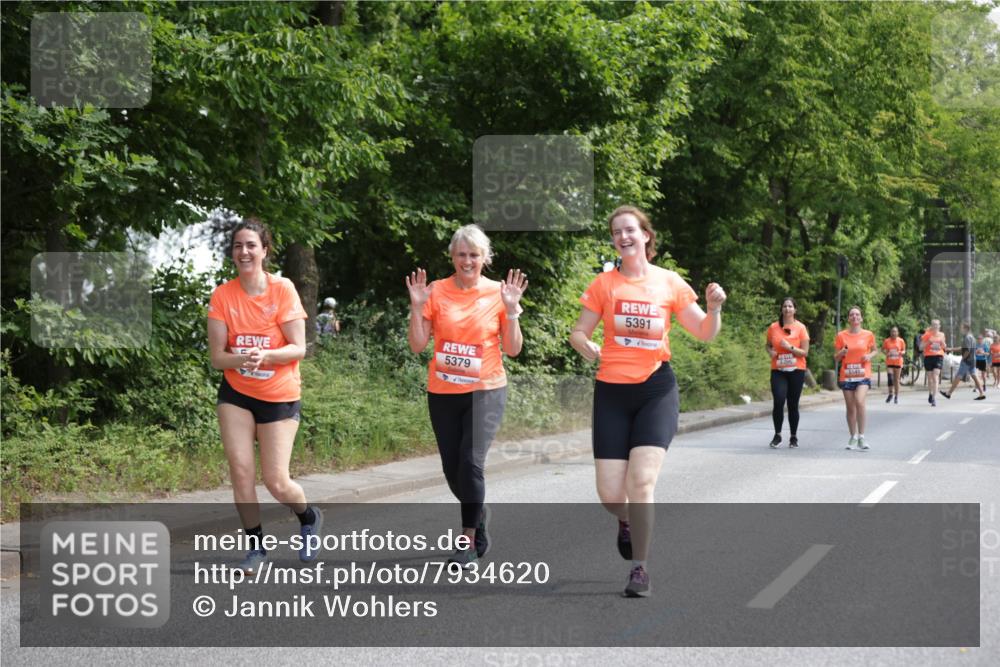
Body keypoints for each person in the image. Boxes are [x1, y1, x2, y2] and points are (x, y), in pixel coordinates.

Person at [569, 205, 726, 598]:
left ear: (645, 236)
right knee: (610, 495)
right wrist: (584, 344)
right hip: (611, 391)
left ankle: (640, 568)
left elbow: (705, 332)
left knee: (641, 482)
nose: (624, 236)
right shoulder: (604, 284)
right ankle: (625, 520)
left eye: (630, 230)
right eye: (617, 232)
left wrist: (714, 309)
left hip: (656, 389)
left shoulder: (669, 282)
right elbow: (578, 331)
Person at [405, 224, 527, 569]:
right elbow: (417, 345)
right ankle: (479, 512)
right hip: (443, 391)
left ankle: (468, 540)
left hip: (486, 390)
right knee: (452, 469)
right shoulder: (436, 291)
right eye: (461, 254)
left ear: (485, 258)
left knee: (471, 461)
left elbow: (514, 350)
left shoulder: (499, 293)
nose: (468, 260)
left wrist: (513, 311)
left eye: (474, 254)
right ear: (452, 257)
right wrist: (417, 307)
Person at [207, 218, 322, 574]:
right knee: (241, 472)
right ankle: (256, 549)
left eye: (251, 245)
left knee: (276, 481)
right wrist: (242, 358)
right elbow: (217, 358)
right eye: (238, 246)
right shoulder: (223, 295)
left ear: (265, 251)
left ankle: (309, 516)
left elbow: (299, 348)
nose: (244, 252)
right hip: (237, 393)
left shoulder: (282, 289)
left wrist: (267, 356)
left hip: (278, 394)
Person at [765, 298, 809, 448]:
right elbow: (768, 345)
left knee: (792, 404)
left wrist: (790, 347)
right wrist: (771, 352)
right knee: (778, 400)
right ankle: (777, 435)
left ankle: (793, 437)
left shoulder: (801, 328)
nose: (787, 309)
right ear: (781, 309)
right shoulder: (773, 327)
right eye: (785, 306)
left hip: (797, 369)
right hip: (778, 369)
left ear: (795, 310)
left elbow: (804, 352)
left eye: (790, 306)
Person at [834, 306, 877, 451]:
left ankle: (862, 436)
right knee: (850, 407)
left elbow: (875, 350)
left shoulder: (868, 335)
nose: (854, 317)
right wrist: (842, 352)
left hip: (863, 374)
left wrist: (869, 356)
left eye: (857, 314)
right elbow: (836, 358)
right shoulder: (841, 335)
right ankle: (853, 436)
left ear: (861, 318)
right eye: (852, 314)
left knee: (860, 401)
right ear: (848, 318)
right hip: (847, 375)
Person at [939, 322, 986, 401]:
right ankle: (982, 393)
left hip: (967, 360)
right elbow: (963, 347)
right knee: (974, 376)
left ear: (966, 329)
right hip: (972, 359)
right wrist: (951, 349)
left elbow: (967, 350)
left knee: (958, 376)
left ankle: (949, 393)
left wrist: (963, 358)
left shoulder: (967, 337)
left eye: (962, 328)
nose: (961, 329)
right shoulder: (972, 337)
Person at [920, 319, 947, 407]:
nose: (935, 326)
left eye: (937, 325)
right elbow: (920, 347)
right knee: (930, 378)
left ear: (939, 326)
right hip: (928, 357)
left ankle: (934, 398)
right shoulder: (927, 335)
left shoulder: (942, 335)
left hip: (938, 357)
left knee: (935, 377)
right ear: (931, 326)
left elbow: (944, 347)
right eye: (933, 325)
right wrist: (929, 342)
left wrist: (942, 343)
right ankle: (930, 393)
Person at [882, 326, 906, 404]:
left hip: (898, 362)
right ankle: (890, 394)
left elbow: (904, 350)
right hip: (890, 362)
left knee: (896, 380)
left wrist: (901, 352)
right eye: (892, 331)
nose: (894, 333)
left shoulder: (901, 341)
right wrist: (887, 353)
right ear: (890, 333)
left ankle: (896, 396)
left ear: (898, 333)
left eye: (895, 332)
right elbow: (883, 349)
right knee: (890, 378)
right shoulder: (887, 341)